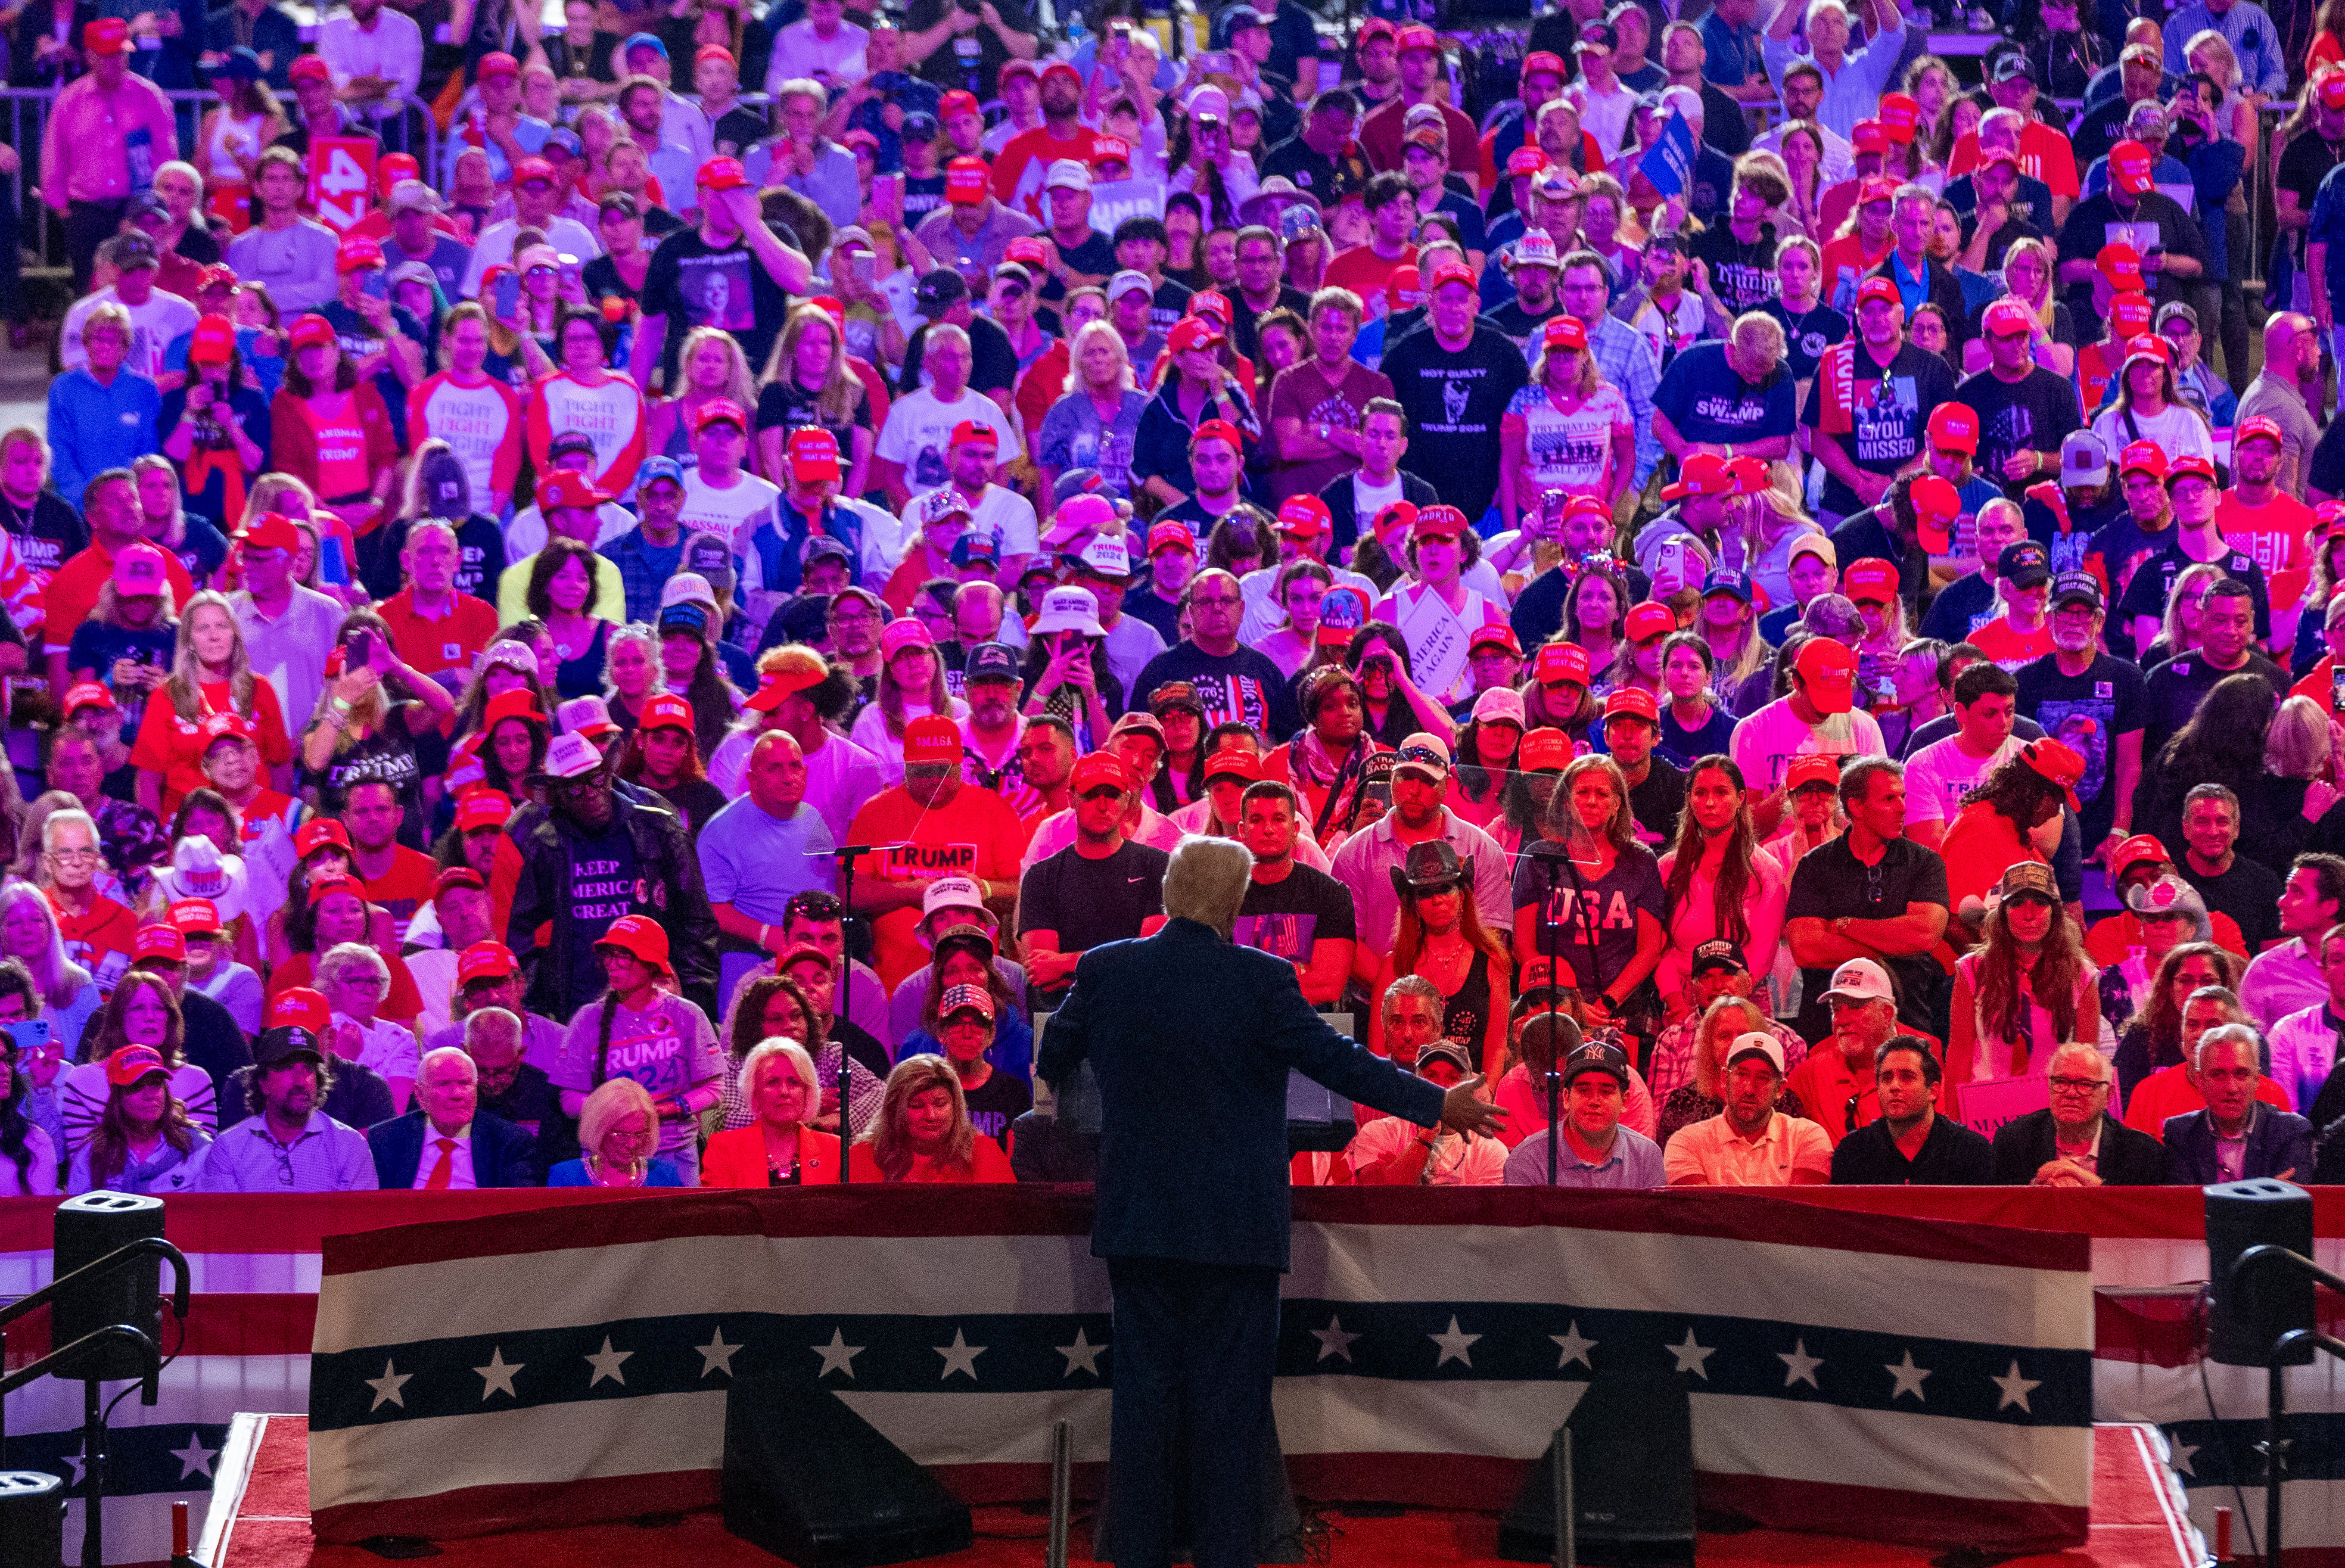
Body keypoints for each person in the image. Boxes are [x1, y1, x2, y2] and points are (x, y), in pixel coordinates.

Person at [1039, 832, 1503, 1565]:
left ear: (1167, 896)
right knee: (1232, 1405)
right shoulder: (1262, 979)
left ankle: (1138, 1552)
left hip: (1141, 1221)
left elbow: (1052, 1059)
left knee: (1144, 1399)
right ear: (1234, 902)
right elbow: (1340, 1063)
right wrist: (1436, 1104)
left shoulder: (1104, 970)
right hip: (1236, 1230)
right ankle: (1229, 1553)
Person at [509, 731, 721, 1021]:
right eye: (575, 789)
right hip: (578, 1010)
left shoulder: (659, 827)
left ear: (609, 774)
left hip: (656, 1002)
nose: (591, 794)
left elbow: (697, 922)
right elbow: (523, 936)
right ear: (558, 797)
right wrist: (537, 1014)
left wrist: (695, 1004)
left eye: (597, 780)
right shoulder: (546, 846)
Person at [1784, 758, 1951, 1040]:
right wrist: (1896, 947)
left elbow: (1923, 934)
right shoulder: (1814, 865)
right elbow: (1807, 948)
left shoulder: (1925, 862)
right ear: (1856, 807)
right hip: (1829, 1031)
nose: (1902, 807)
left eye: (1902, 797)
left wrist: (1845, 926)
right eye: (1888, 799)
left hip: (1906, 1023)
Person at [548, 914, 721, 1183]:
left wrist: (662, 1110)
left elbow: (713, 1091)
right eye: (609, 955)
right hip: (607, 1158)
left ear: (652, 964)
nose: (613, 965)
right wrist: (618, 1114)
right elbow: (569, 1100)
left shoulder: (687, 1015)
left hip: (674, 1153)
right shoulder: (587, 1019)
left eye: (624, 956)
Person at [194, 1019, 378, 1190]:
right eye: (287, 1068)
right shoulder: (228, 1148)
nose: (301, 1081)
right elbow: (221, 1222)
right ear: (263, 1083)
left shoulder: (350, 1146)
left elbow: (362, 1221)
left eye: (308, 1069)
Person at [1662, 1031, 1831, 1185]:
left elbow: (1802, 1211)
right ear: (1724, 1078)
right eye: (1741, 1075)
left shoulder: (1807, 1137)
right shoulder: (1688, 1142)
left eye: (1763, 1078)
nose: (1749, 1089)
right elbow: (1697, 1214)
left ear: (1780, 1089)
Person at [1991, 1041, 2168, 1184]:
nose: (2071, 1093)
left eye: (2085, 1084)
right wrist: (2036, 1190)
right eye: (2061, 1081)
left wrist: (2090, 1183)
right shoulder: (2014, 1141)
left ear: (2108, 1095)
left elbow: (2137, 1219)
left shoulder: (2141, 1152)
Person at [1827, 1034, 1995, 1183]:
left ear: (1934, 1091)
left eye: (1907, 1077)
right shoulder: (1852, 1152)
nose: (1894, 1086)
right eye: (1886, 1078)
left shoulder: (1971, 1150)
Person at [1502, 1034, 1664, 1187]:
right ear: (1566, 1098)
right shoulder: (1527, 1159)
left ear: (1624, 1100)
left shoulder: (1647, 1156)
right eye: (1584, 1090)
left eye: (1606, 1091)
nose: (1594, 1101)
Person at [365, 1046, 536, 1189]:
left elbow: (518, 1210)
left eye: (464, 1084)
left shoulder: (510, 1142)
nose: (456, 1094)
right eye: (444, 1084)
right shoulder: (386, 1139)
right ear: (420, 1095)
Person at [2162, 1023, 2315, 1180]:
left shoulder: (2291, 1132)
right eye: (2219, 1075)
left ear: (2257, 1079)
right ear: (2200, 1081)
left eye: (2241, 1074)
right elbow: (2185, 1202)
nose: (2231, 1088)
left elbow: (2292, 1201)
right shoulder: (2180, 1134)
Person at [846, 1053, 1016, 1183]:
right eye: (917, 1106)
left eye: (940, 1104)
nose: (931, 1116)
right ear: (894, 1109)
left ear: (956, 1106)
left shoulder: (983, 1153)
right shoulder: (863, 1157)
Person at [65, 1043, 206, 1196]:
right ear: (117, 1097)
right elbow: (78, 1217)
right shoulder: (91, 1156)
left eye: (156, 1084)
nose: (149, 1095)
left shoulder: (199, 1147)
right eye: (136, 1086)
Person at [703, 1039, 843, 1186]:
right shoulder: (724, 1148)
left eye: (794, 1082)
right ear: (754, 1094)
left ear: (807, 1092)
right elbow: (717, 1208)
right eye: (772, 1083)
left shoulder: (835, 1149)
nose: (784, 1092)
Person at [2243, 855, 2345, 1029]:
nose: (2282, 901)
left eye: (2297, 892)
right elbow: (2248, 1050)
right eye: (2287, 890)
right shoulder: (2266, 970)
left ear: (2331, 906)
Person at [547, 1077, 690, 1187]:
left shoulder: (665, 1176)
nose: (632, 1144)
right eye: (621, 1135)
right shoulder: (566, 1176)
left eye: (639, 1135)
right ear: (599, 1130)